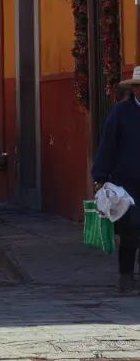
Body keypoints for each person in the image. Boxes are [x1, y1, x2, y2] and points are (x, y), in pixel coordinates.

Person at [92, 66, 140, 293]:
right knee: (130, 228)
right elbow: (107, 145)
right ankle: (126, 276)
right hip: (127, 183)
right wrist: (100, 177)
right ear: (135, 89)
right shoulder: (120, 113)